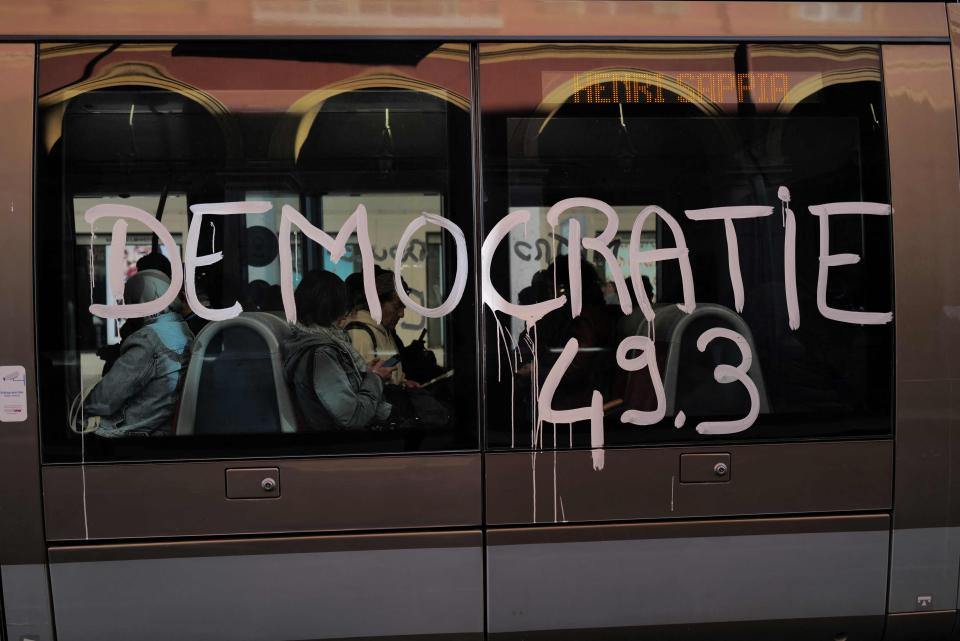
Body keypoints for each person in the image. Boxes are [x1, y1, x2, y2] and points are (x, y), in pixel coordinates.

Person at [82, 269, 194, 437]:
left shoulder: (147, 339)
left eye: (131, 302)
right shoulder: (183, 329)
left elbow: (103, 400)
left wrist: (82, 408)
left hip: (127, 431)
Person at [282, 270, 394, 431]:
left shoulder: (315, 344)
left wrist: (364, 373)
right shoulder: (321, 354)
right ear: (330, 308)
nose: (346, 314)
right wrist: (375, 379)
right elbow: (353, 418)